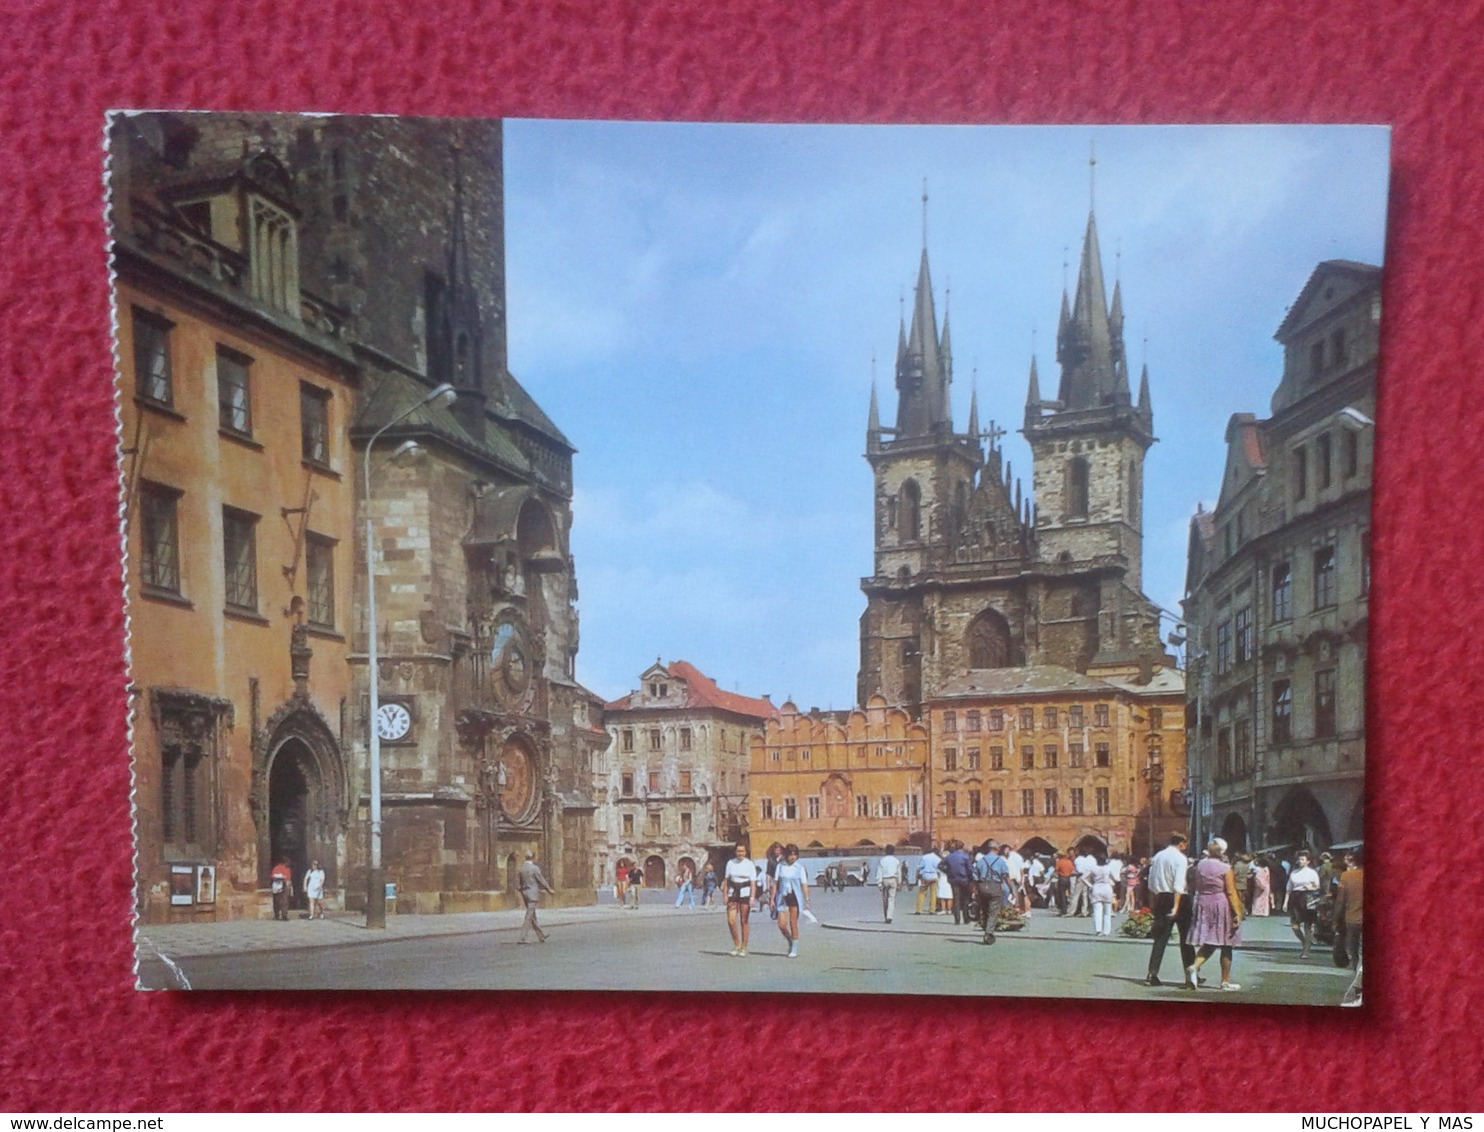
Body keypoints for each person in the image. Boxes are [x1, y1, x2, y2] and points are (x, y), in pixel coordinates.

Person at [1184, 838, 1243, 991]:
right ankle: (1225, 980)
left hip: (1203, 902)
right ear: (1223, 851)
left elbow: (1193, 884)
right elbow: (1230, 891)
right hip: (1220, 903)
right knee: (1226, 942)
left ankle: (1194, 966)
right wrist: (1237, 912)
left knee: (1210, 940)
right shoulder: (1225, 868)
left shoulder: (1200, 865)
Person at [1142, 832, 1190, 986]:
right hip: (1178, 899)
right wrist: (1176, 906)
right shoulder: (1180, 859)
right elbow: (1178, 885)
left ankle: (1152, 972)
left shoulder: (1158, 857)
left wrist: (1154, 900)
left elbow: (1151, 882)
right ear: (1181, 843)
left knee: (1160, 938)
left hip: (1161, 896)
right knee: (1186, 938)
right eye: (1185, 843)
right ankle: (1191, 973)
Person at [1333, 847, 1363, 1007]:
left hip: (1352, 920)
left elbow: (1340, 901)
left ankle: (1358, 989)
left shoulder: (1347, 876)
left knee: (1355, 954)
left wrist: (1335, 919)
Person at [773, 844, 811, 958]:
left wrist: (807, 899)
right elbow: (775, 883)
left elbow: (804, 884)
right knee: (781, 924)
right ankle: (789, 939)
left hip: (794, 897)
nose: (793, 857)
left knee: (793, 923)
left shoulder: (800, 868)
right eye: (791, 854)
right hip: (782, 897)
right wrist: (772, 898)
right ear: (786, 855)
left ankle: (794, 947)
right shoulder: (780, 866)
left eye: (795, 854)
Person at [1286, 850, 1322, 957]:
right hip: (1295, 898)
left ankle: (1306, 951)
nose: (1300, 861)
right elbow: (1289, 888)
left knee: (1307, 925)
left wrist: (1311, 887)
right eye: (1299, 859)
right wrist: (1285, 902)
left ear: (1308, 861)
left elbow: (1318, 887)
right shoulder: (1294, 873)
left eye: (1302, 859)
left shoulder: (1312, 873)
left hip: (1307, 898)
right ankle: (1305, 942)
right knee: (1295, 926)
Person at [972, 844, 1010, 944]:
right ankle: (988, 933)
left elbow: (975, 876)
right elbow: (1006, 875)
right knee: (993, 911)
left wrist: (975, 889)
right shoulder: (1000, 861)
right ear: (996, 850)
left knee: (984, 910)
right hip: (995, 886)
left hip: (982, 886)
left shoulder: (980, 861)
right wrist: (1011, 889)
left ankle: (986, 930)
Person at [517, 850, 556, 944]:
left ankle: (541, 935)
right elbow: (541, 880)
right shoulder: (535, 868)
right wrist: (549, 889)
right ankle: (522, 938)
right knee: (529, 916)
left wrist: (522, 889)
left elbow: (518, 884)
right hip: (532, 894)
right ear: (533, 857)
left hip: (525, 893)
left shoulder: (521, 868)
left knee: (532, 915)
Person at [724, 842, 756, 956]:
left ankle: (744, 946)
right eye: (738, 851)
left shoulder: (749, 864)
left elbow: (753, 882)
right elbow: (726, 880)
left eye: (742, 851)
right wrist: (725, 895)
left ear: (746, 852)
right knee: (731, 920)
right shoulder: (730, 863)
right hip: (733, 892)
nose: (740, 853)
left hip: (745, 892)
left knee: (744, 920)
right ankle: (736, 944)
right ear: (735, 852)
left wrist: (752, 897)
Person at [942, 840, 974, 925]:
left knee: (956, 899)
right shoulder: (965, 856)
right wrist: (971, 878)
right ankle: (966, 918)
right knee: (965, 899)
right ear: (962, 847)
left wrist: (947, 871)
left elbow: (940, 865)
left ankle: (957, 919)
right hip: (964, 880)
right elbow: (970, 869)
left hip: (953, 880)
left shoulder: (949, 856)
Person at [1089, 852, 1118, 937]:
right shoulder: (1108, 868)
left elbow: (1086, 877)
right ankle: (1106, 931)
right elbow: (1114, 878)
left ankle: (1098, 930)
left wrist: (1090, 885)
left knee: (1097, 910)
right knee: (1107, 911)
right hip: (1106, 888)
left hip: (1097, 887)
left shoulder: (1094, 868)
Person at [878, 844, 902, 923]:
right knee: (891, 899)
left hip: (885, 879)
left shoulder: (882, 860)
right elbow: (899, 872)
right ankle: (889, 916)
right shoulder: (896, 861)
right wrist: (899, 882)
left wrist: (879, 883)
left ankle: (886, 916)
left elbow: (879, 872)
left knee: (885, 899)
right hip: (893, 879)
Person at [1070, 846, 1095, 917]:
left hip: (1080, 877)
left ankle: (1071, 911)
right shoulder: (1087, 859)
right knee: (1085, 895)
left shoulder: (1077, 859)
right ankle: (1084, 911)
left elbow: (1078, 870)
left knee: (1076, 895)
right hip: (1087, 877)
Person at [915, 845, 941, 915]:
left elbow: (919, 867)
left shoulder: (924, 857)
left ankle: (919, 909)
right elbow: (939, 869)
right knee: (933, 893)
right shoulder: (938, 859)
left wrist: (917, 876)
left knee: (922, 893)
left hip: (925, 876)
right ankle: (932, 909)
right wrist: (939, 877)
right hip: (934, 876)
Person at [1053, 851, 1075, 916]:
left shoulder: (1059, 861)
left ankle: (1063, 910)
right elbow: (1072, 870)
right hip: (1068, 878)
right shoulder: (1069, 862)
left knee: (1062, 895)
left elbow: (1056, 871)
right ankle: (1070, 908)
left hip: (1062, 878)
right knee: (1070, 894)